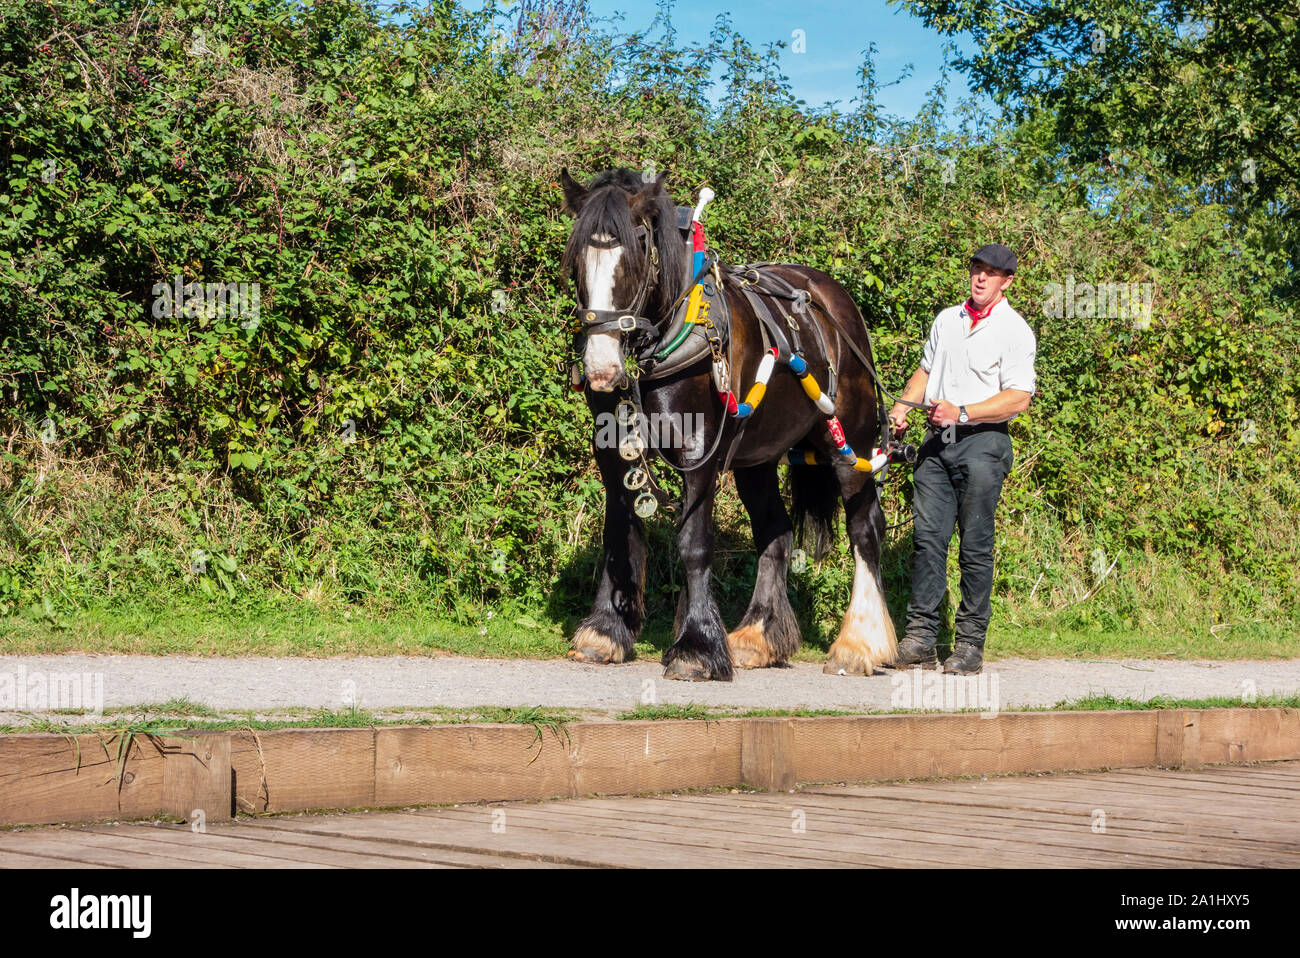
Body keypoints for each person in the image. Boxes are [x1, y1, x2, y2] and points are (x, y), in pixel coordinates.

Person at [887, 244, 1037, 675]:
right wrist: (901, 408)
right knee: (927, 540)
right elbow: (926, 372)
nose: (981, 278)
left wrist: (964, 412)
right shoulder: (946, 320)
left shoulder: (1015, 330)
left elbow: (1019, 398)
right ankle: (920, 639)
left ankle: (969, 644)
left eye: (992, 273)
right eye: (977, 269)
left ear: (1007, 281)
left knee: (974, 545)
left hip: (983, 443)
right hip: (937, 442)